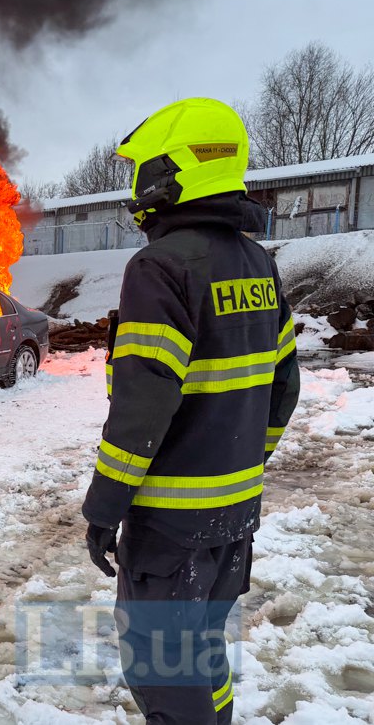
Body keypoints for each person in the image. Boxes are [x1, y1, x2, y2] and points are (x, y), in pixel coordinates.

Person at [81, 97, 300, 724]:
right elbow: (285, 386)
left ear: (171, 171)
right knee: (202, 648)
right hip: (236, 512)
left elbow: (142, 408)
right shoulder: (258, 263)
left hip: (172, 523)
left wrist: (104, 509)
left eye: (143, 169)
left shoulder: (160, 267)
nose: (135, 186)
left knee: (160, 664)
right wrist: (240, 458)